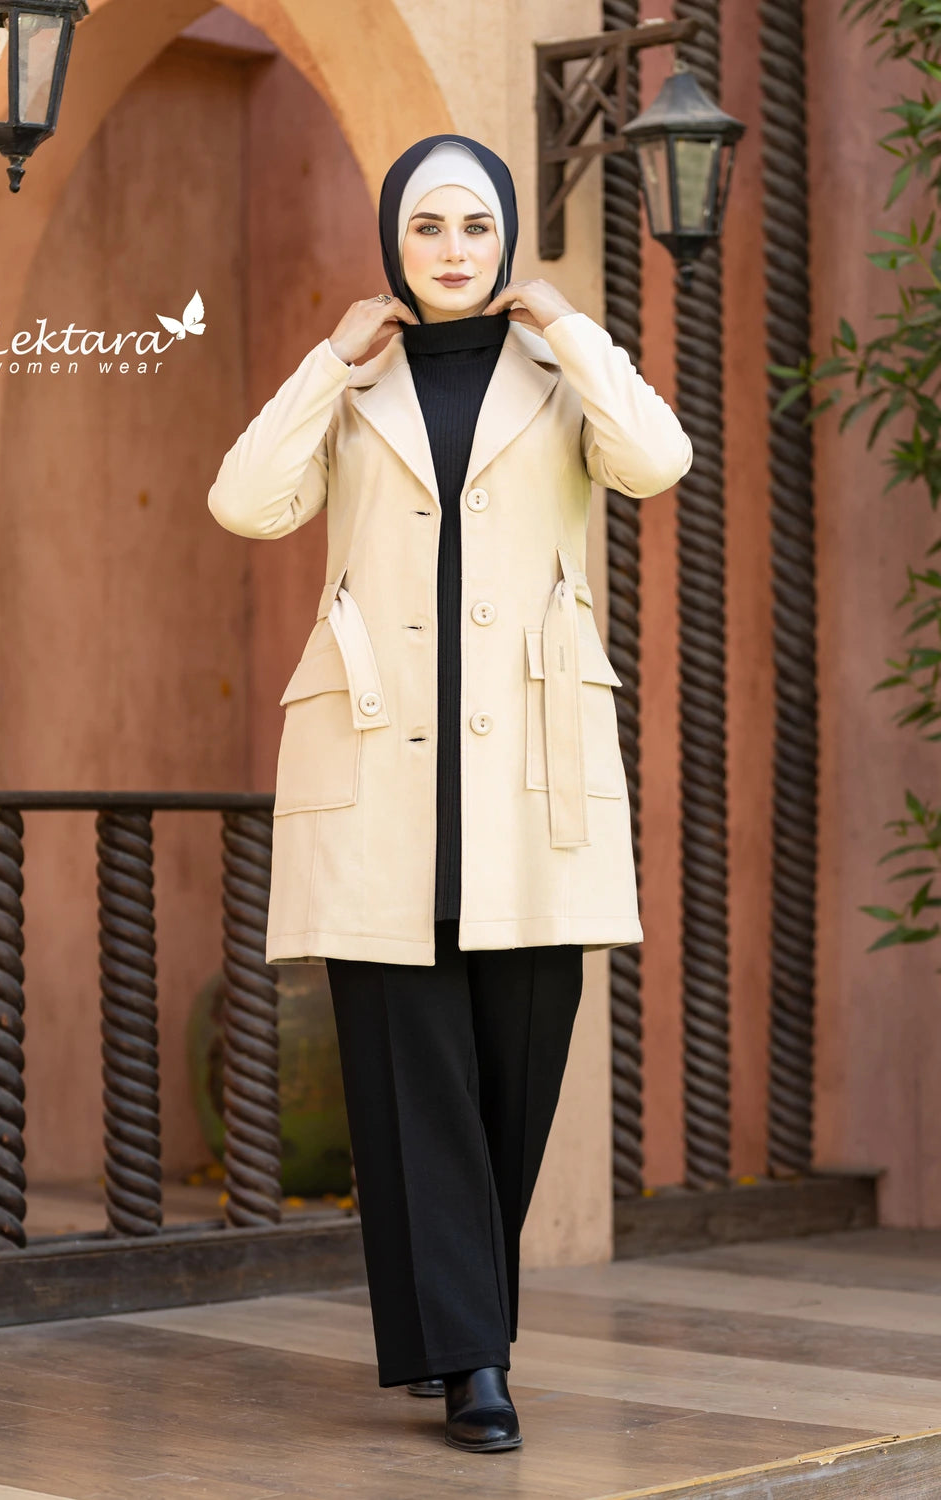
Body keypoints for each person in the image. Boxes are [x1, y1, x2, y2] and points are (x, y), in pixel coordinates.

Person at [207, 134, 693, 1454]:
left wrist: (571, 329)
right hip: (382, 775)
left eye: (476, 226)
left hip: (531, 776)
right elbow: (246, 501)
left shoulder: (560, 375)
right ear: (394, 245)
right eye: (427, 227)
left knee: (516, 1075)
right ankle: (476, 1360)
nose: (454, 250)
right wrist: (328, 360)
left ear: (507, 238)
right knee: (407, 1073)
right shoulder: (355, 384)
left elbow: (656, 460)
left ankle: (449, 1323)